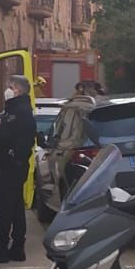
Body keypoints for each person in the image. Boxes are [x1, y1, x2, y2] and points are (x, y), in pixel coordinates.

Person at [0, 74, 37, 264]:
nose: (7, 89)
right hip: (14, 165)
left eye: (10, 86)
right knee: (16, 207)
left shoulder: (17, 111)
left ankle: (1, 250)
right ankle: (17, 247)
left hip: (13, 166)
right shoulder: (17, 109)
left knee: (3, 209)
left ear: (17, 90)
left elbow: (3, 134)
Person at [49, 80, 98, 209]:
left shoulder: (73, 107)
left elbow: (60, 131)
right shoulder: (84, 106)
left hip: (73, 147)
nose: (89, 90)